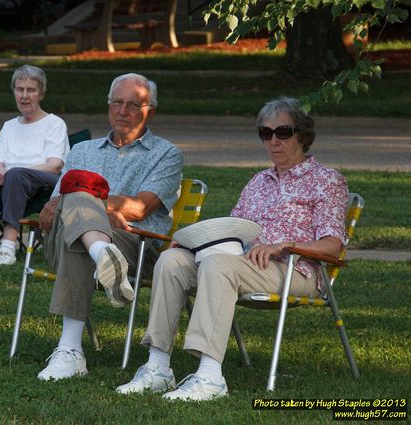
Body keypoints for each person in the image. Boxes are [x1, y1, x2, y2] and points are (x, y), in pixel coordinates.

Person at [116, 96, 349, 402]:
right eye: (266, 134)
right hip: (241, 264)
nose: (273, 141)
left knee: (219, 266)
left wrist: (284, 246)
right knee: (173, 259)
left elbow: (332, 246)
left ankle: (210, 376)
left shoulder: (326, 181)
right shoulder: (258, 181)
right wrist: (193, 242)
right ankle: (158, 367)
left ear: (302, 135)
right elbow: (233, 232)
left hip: (296, 269)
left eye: (282, 132)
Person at [35, 73, 183, 381]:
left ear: (150, 111)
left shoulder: (166, 154)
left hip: (134, 245)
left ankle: (70, 349)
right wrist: (101, 208)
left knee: (79, 221)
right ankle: (103, 253)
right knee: (77, 210)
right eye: (117, 102)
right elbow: (53, 207)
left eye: (133, 104)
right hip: (67, 239)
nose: (123, 110)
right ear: (108, 105)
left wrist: (88, 202)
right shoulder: (82, 151)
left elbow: (141, 207)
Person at [0, 65, 69, 266]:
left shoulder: (54, 123)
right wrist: (0, 170)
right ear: (14, 92)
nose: (24, 96)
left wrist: (13, 172)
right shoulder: (9, 126)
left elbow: (55, 165)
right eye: (20, 89)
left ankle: (8, 247)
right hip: (9, 182)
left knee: (17, 174)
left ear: (41, 94)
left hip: (45, 183)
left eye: (31, 90)